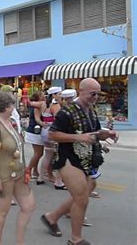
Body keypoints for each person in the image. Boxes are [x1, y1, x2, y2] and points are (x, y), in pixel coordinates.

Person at [41, 78, 118, 245]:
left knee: (83, 193)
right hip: (68, 158)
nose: (95, 97)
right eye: (92, 93)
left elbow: (94, 133)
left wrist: (107, 134)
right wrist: (78, 137)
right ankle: (75, 238)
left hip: (86, 158)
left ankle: (52, 217)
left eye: (98, 94)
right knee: (82, 197)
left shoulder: (91, 110)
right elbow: (52, 135)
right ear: (81, 91)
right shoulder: (66, 111)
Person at [0, 91, 35, 245]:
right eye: (13, 104)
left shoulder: (10, 122)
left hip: (17, 173)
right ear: (7, 107)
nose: (15, 107)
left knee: (28, 205)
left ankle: (20, 242)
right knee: (2, 212)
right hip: (4, 176)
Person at [24, 91, 46, 179]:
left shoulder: (35, 106)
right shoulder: (38, 107)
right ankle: (28, 170)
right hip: (35, 131)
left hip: (34, 130)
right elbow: (37, 119)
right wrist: (43, 123)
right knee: (38, 153)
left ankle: (35, 171)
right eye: (41, 95)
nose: (44, 96)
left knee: (37, 153)